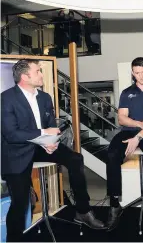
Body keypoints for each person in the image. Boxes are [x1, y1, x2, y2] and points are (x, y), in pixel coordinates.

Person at [1, 59, 105, 242]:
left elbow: (50, 126)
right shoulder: (6, 98)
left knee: (75, 159)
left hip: (42, 146)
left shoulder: (45, 97)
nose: (42, 75)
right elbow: (11, 134)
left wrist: (52, 141)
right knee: (20, 203)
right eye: (38, 71)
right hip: (16, 152)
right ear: (25, 77)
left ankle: (82, 210)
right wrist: (43, 133)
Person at [106, 57, 143, 232]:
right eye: (137, 73)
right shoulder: (127, 92)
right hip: (130, 130)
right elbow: (121, 118)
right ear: (133, 73)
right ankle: (114, 203)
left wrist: (138, 138)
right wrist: (139, 124)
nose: (141, 76)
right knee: (111, 154)